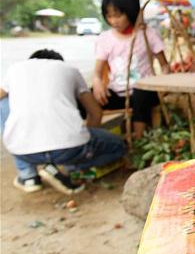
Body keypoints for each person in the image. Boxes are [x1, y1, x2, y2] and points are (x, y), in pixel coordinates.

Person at [1, 49, 126, 195]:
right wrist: (85, 139)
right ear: (59, 62)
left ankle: (28, 176)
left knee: (3, 102)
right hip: (69, 150)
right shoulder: (70, 70)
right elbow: (96, 113)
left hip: (22, 152)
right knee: (119, 147)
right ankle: (70, 168)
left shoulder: (14, 70)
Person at [93, 0, 170, 141]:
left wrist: (163, 87)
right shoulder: (105, 39)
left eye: (118, 15)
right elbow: (97, 73)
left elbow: (165, 66)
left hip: (146, 92)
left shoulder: (147, 34)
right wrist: (97, 83)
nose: (113, 21)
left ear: (130, 12)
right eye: (109, 16)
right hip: (118, 92)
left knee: (140, 93)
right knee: (86, 98)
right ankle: (96, 140)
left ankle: (138, 141)